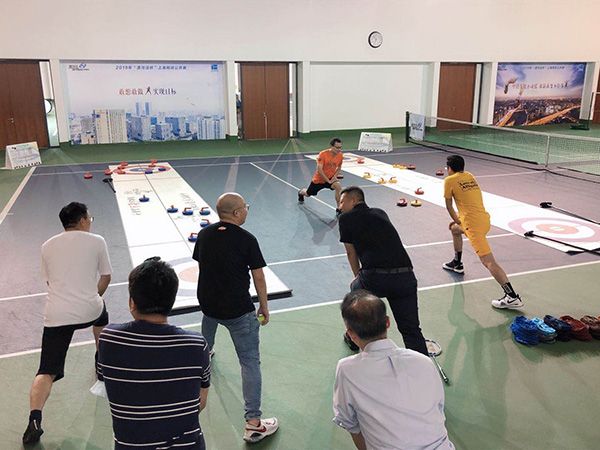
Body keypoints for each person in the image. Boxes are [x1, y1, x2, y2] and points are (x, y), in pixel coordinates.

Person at [192, 192, 279, 443]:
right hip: (238, 311)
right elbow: (259, 277)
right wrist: (263, 306)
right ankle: (254, 423)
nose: (246, 210)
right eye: (245, 207)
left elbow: (203, 268)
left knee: (209, 326)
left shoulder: (204, 234)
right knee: (249, 362)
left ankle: (205, 352)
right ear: (237, 212)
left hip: (209, 305)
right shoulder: (247, 239)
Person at [23, 202, 112, 445]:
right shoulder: (97, 241)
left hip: (57, 315)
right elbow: (106, 277)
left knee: (46, 371)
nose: (90, 222)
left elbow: (50, 283)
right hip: (90, 309)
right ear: (82, 220)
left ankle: (34, 420)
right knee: (102, 313)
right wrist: (92, 297)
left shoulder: (47, 246)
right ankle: (101, 358)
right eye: (89, 218)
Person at [98, 257, 211, 450]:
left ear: (132, 303)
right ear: (172, 301)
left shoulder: (109, 339)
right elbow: (201, 402)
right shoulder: (196, 345)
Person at [333, 290, 454, 450]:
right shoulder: (424, 361)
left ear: (351, 333)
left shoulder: (346, 370)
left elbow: (348, 421)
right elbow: (438, 408)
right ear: (387, 322)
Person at [338, 186, 428, 355]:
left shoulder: (345, 218)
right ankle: (423, 364)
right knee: (411, 330)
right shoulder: (380, 212)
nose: (340, 206)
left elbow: (351, 252)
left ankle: (352, 337)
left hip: (374, 278)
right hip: (405, 277)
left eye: (342, 202)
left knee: (355, 294)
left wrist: (357, 276)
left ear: (353, 200)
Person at [442, 154, 523, 309]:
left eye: (447, 168)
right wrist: (458, 222)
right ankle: (457, 263)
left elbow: (449, 206)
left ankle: (512, 297)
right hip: (484, 220)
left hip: (473, 226)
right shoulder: (469, 176)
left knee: (489, 262)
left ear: (450, 169)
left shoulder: (449, 180)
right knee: (455, 230)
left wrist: (458, 219)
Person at [298, 137, 344, 216]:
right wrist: (328, 181)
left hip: (330, 178)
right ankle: (301, 192)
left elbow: (339, 167)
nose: (339, 150)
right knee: (308, 194)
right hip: (319, 180)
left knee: (338, 186)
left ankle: (339, 209)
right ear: (331, 146)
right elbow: (319, 170)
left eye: (340, 147)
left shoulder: (340, 156)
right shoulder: (323, 154)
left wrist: (334, 177)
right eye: (337, 147)